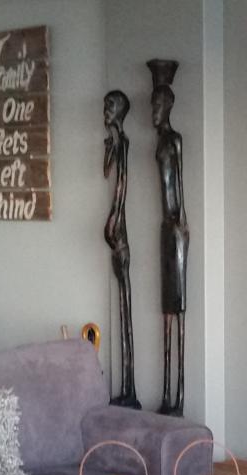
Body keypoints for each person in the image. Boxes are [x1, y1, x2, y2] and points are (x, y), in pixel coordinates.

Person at [148, 59, 189, 416]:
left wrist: (181, 228)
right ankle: (165, 396)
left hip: (176, 226)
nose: (154, 111)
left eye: (158, 105)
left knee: (179, 307)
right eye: (152, 105)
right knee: (165, 309)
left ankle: (178, 395)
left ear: (169, 106)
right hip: (164, 227)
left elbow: (180, 190)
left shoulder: (174, 141)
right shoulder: (159, 141)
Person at [103, 89, 140, 408]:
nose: (106, 110)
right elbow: (106, 172)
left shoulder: (125, 142)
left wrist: (114, 215)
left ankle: (130, 388)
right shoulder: (116, 141)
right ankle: (127, 387)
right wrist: (108, 149)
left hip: (121, 234)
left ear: (122, 111)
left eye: (111, 106)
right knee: (122, 307)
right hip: (117, 233)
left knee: (126, 308)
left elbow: (121, 184)